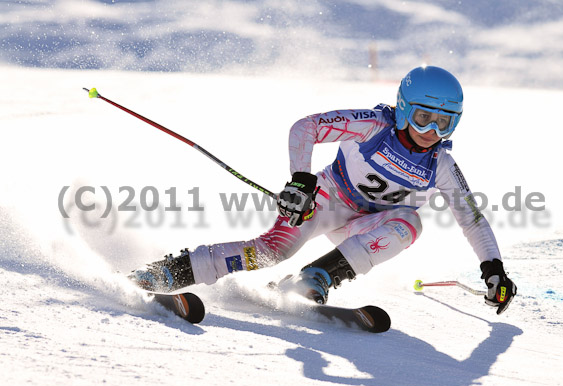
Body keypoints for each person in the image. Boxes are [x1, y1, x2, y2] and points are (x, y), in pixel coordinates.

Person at [130, 65, 517, 315]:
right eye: (423, 118)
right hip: (324, 200)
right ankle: (161, 273)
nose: (431, 132)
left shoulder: (441, 165)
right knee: (269, 252)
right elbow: (306, 127)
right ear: (403, 108)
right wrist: (301, 181)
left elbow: (472, 219)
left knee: (409, 223)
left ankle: (317, 277)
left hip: (365, 228)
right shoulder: (373, 125)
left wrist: (493, 269)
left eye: (445, 124)